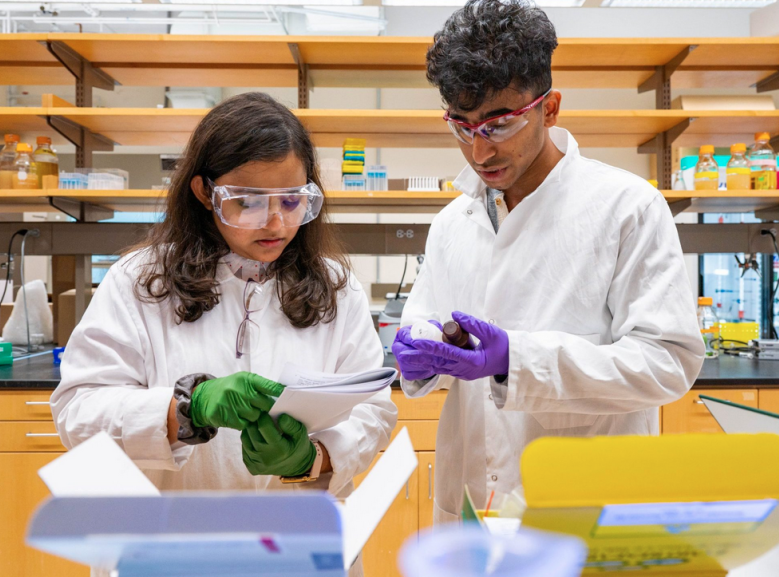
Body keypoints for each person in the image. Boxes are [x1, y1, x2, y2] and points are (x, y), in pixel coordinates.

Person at [52, 93, 397, 573]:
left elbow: (373, 410)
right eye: (248, 202)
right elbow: (76, 411)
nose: (275, 222)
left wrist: (312, 458)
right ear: (203, 192)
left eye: (292, 200)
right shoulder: (140, 281)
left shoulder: (337, 289)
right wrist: (184, 411)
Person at [393, 0, 704, 525]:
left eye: (498, 124)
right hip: (470, 506)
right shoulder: (453, 221)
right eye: (462, 126)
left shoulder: (627, 207)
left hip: (582, 507)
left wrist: (517, 360)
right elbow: (426, 325)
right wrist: (419, 352)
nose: (479, 151)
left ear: (550, 107)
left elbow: (669, 363)